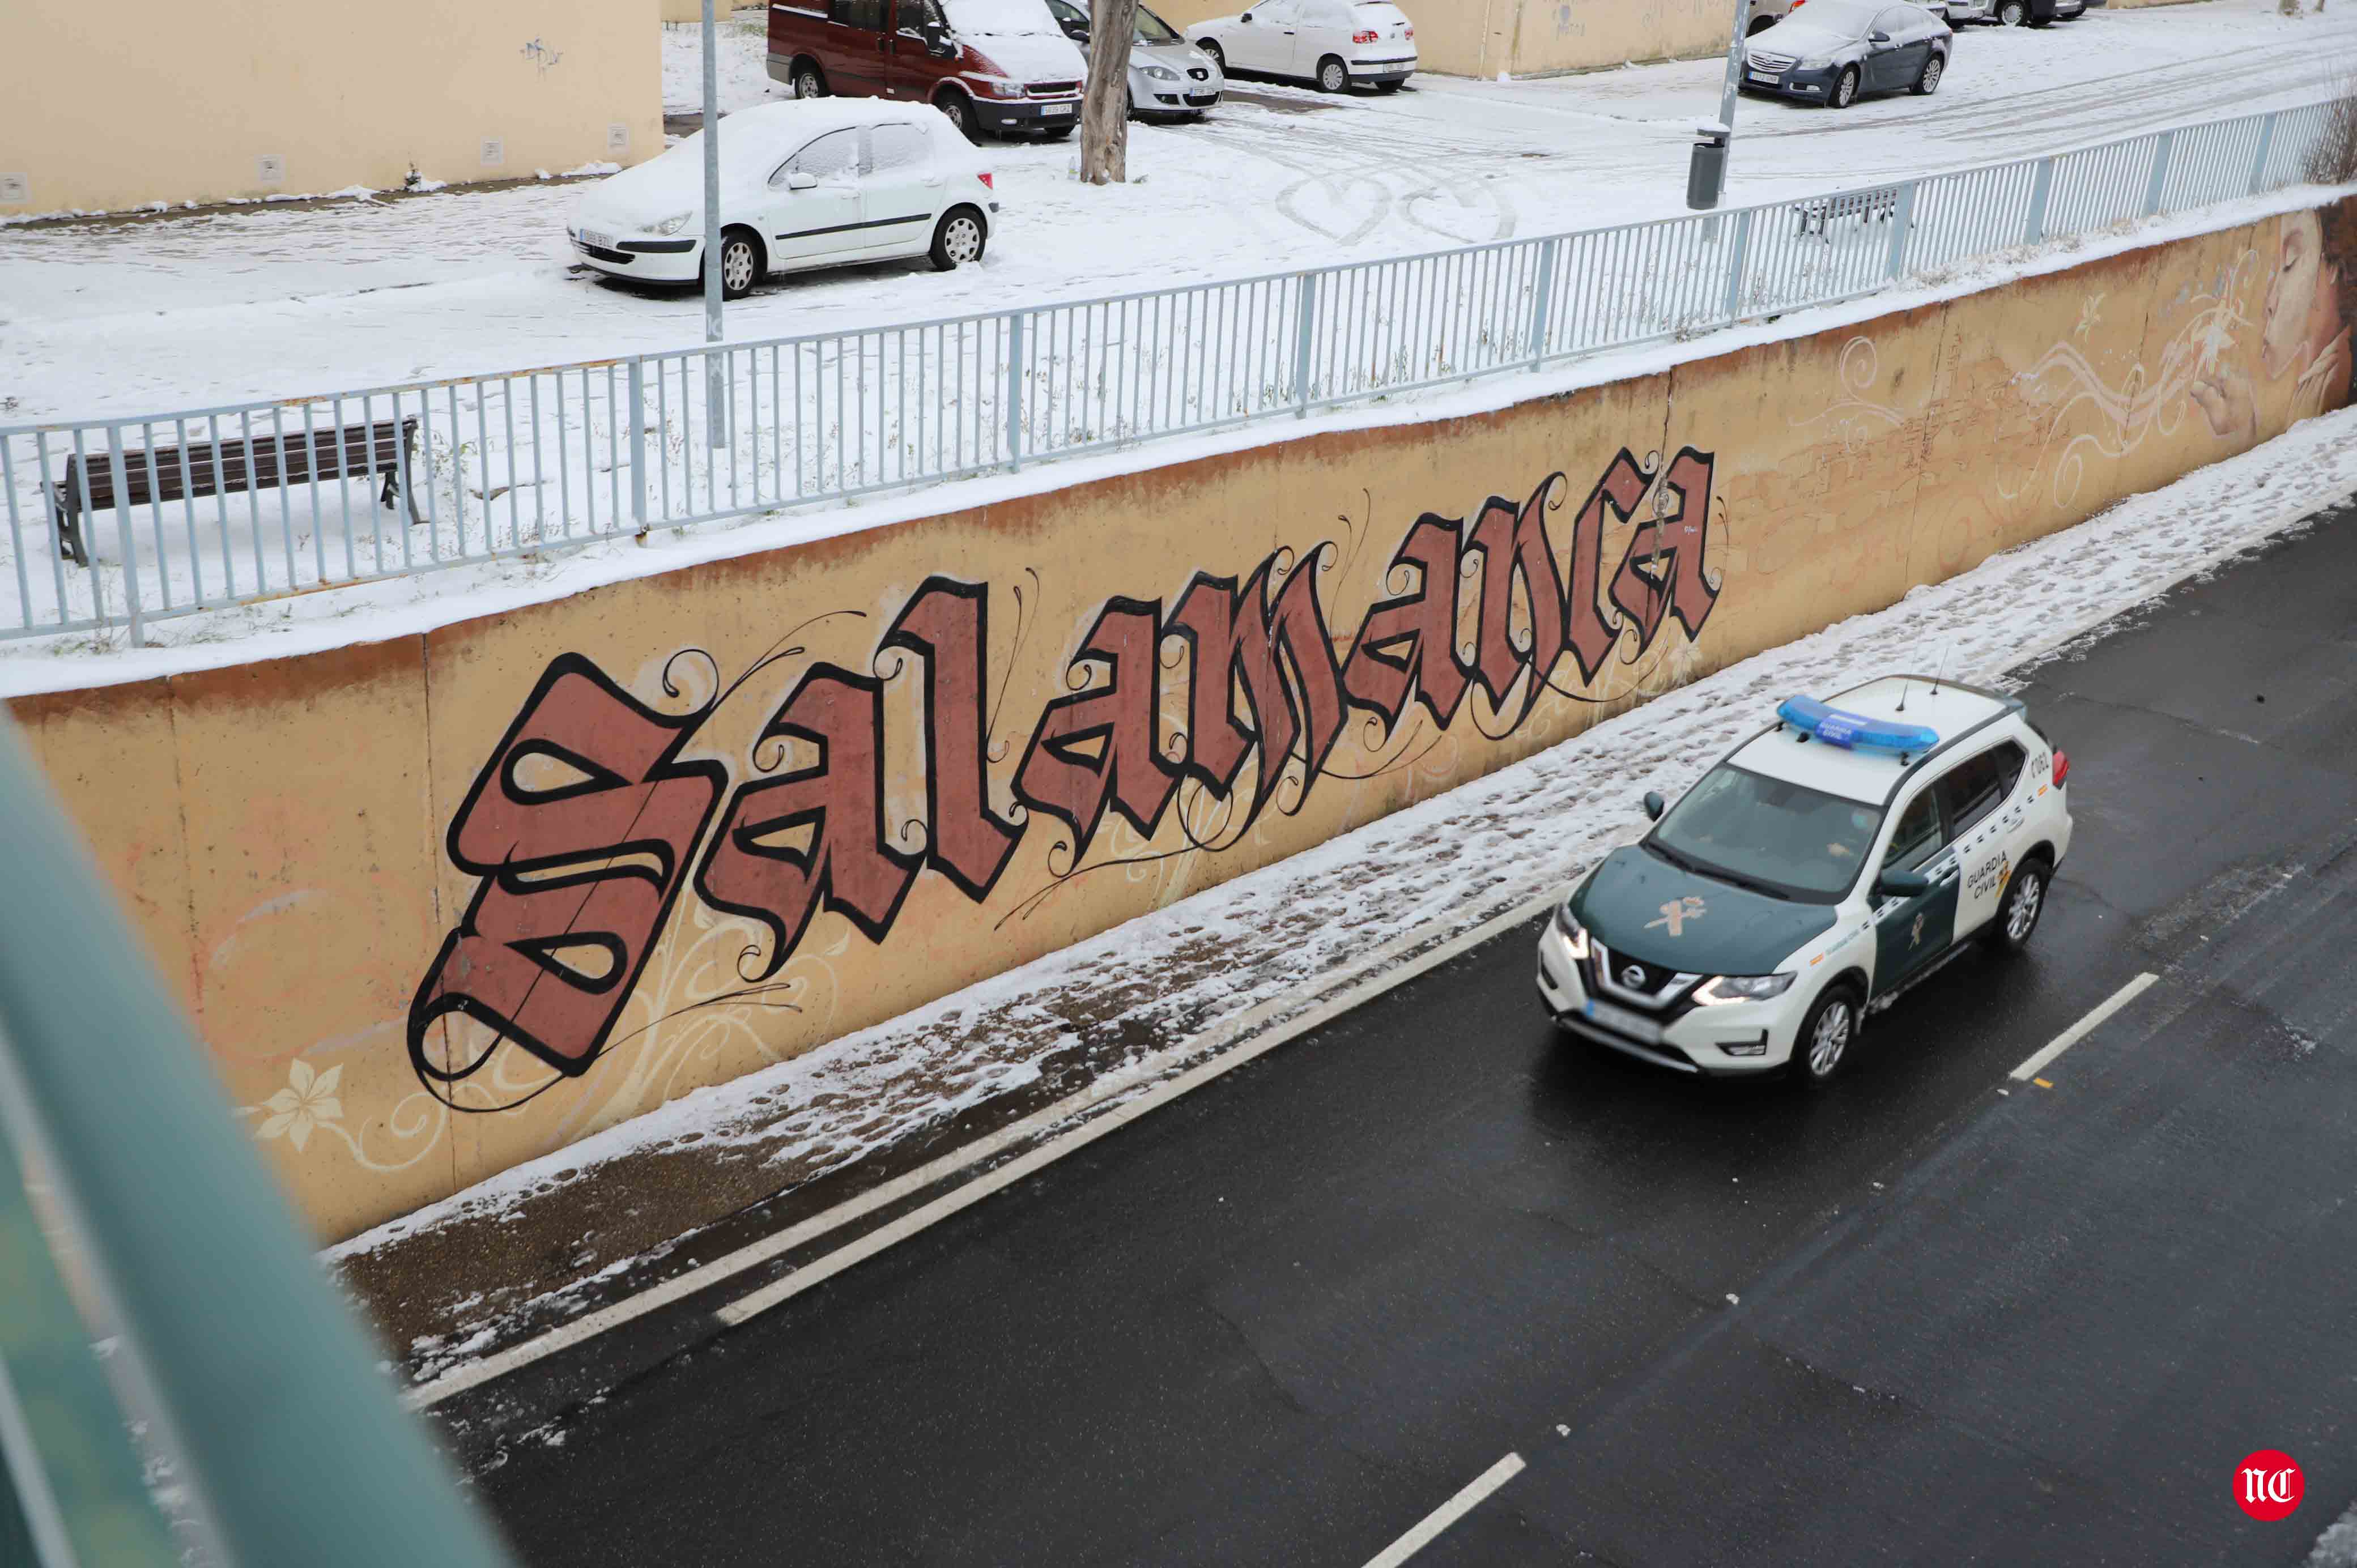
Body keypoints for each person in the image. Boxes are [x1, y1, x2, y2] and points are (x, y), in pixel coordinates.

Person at [2190, 202, 2356, 441]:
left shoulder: (2332, 384)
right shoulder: (2312, 388)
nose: (2271, 300)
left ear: (2332, 268)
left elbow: (2303, 469)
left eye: (2290, 262)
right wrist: (2245, 424)